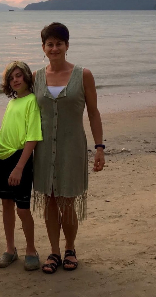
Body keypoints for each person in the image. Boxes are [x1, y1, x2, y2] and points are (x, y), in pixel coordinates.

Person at [33, 22, 105, 274]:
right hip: (43, 149)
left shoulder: (83, 75)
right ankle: (54, 251)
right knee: (50, 201)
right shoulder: (36, 77)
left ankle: (70, 249)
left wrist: (99, 147)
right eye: (50, 44)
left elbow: (93, 113)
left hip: (72, 147)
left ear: (67, 46)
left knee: (67, 202)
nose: (54, 48)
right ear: (43, 47)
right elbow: (25, 114)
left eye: (59, 44)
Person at [0, 61, 43, 271]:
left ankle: (31, 250)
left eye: (19, 75)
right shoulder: (11, 103)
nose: (15, 80)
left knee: (22, 208)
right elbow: (4, 133)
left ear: (27, 77)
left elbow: (33, 136)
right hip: (3, 158)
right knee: (6, 205)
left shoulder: (32, 101)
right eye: (12, 77)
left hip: (20, 159)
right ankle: (10, 249)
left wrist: (20, 167)